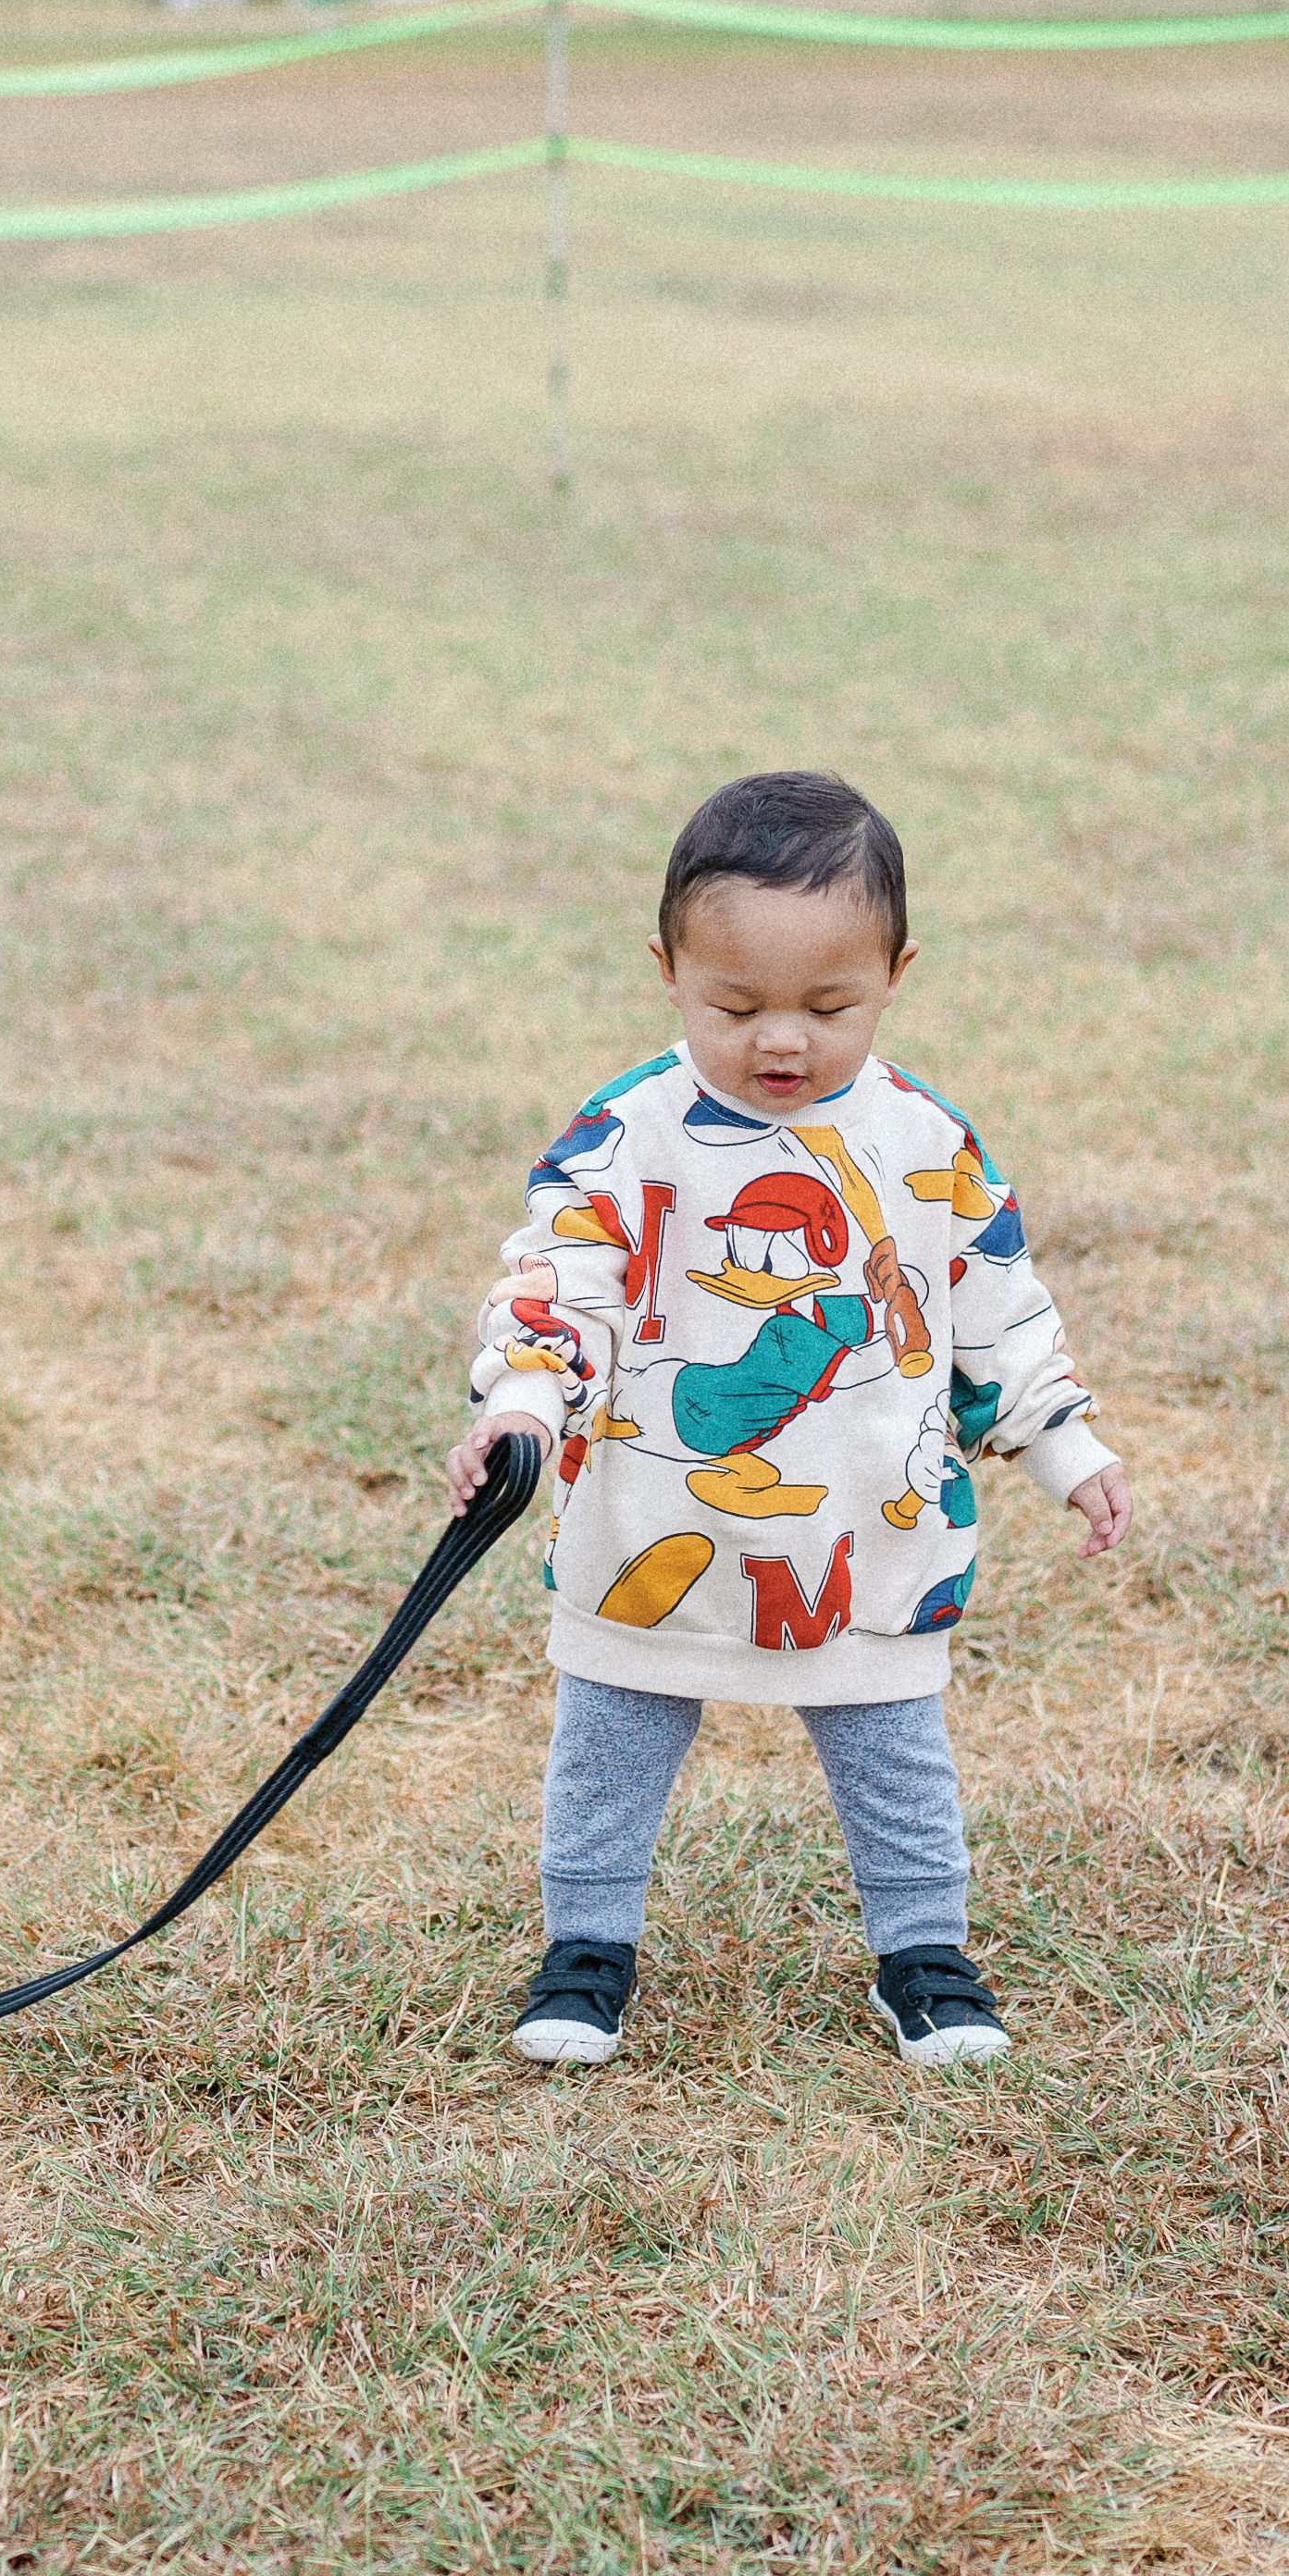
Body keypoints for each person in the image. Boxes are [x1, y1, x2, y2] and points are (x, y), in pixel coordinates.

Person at [457, 774, 1127, 2070]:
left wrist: (1064, 1441)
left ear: (894, 974)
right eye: (735, 1006)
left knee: (894, 1753)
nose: (782, 1041)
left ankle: (924, 1952)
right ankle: (587, 1949)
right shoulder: (630, 1133)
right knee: (608, 1748)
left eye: (829, 1008)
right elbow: (563, 1272)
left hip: (861, 1533)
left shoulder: (923, 1142)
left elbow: (996, 1303)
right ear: (667, 971)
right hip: (651, 1522)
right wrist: (526, 1396)